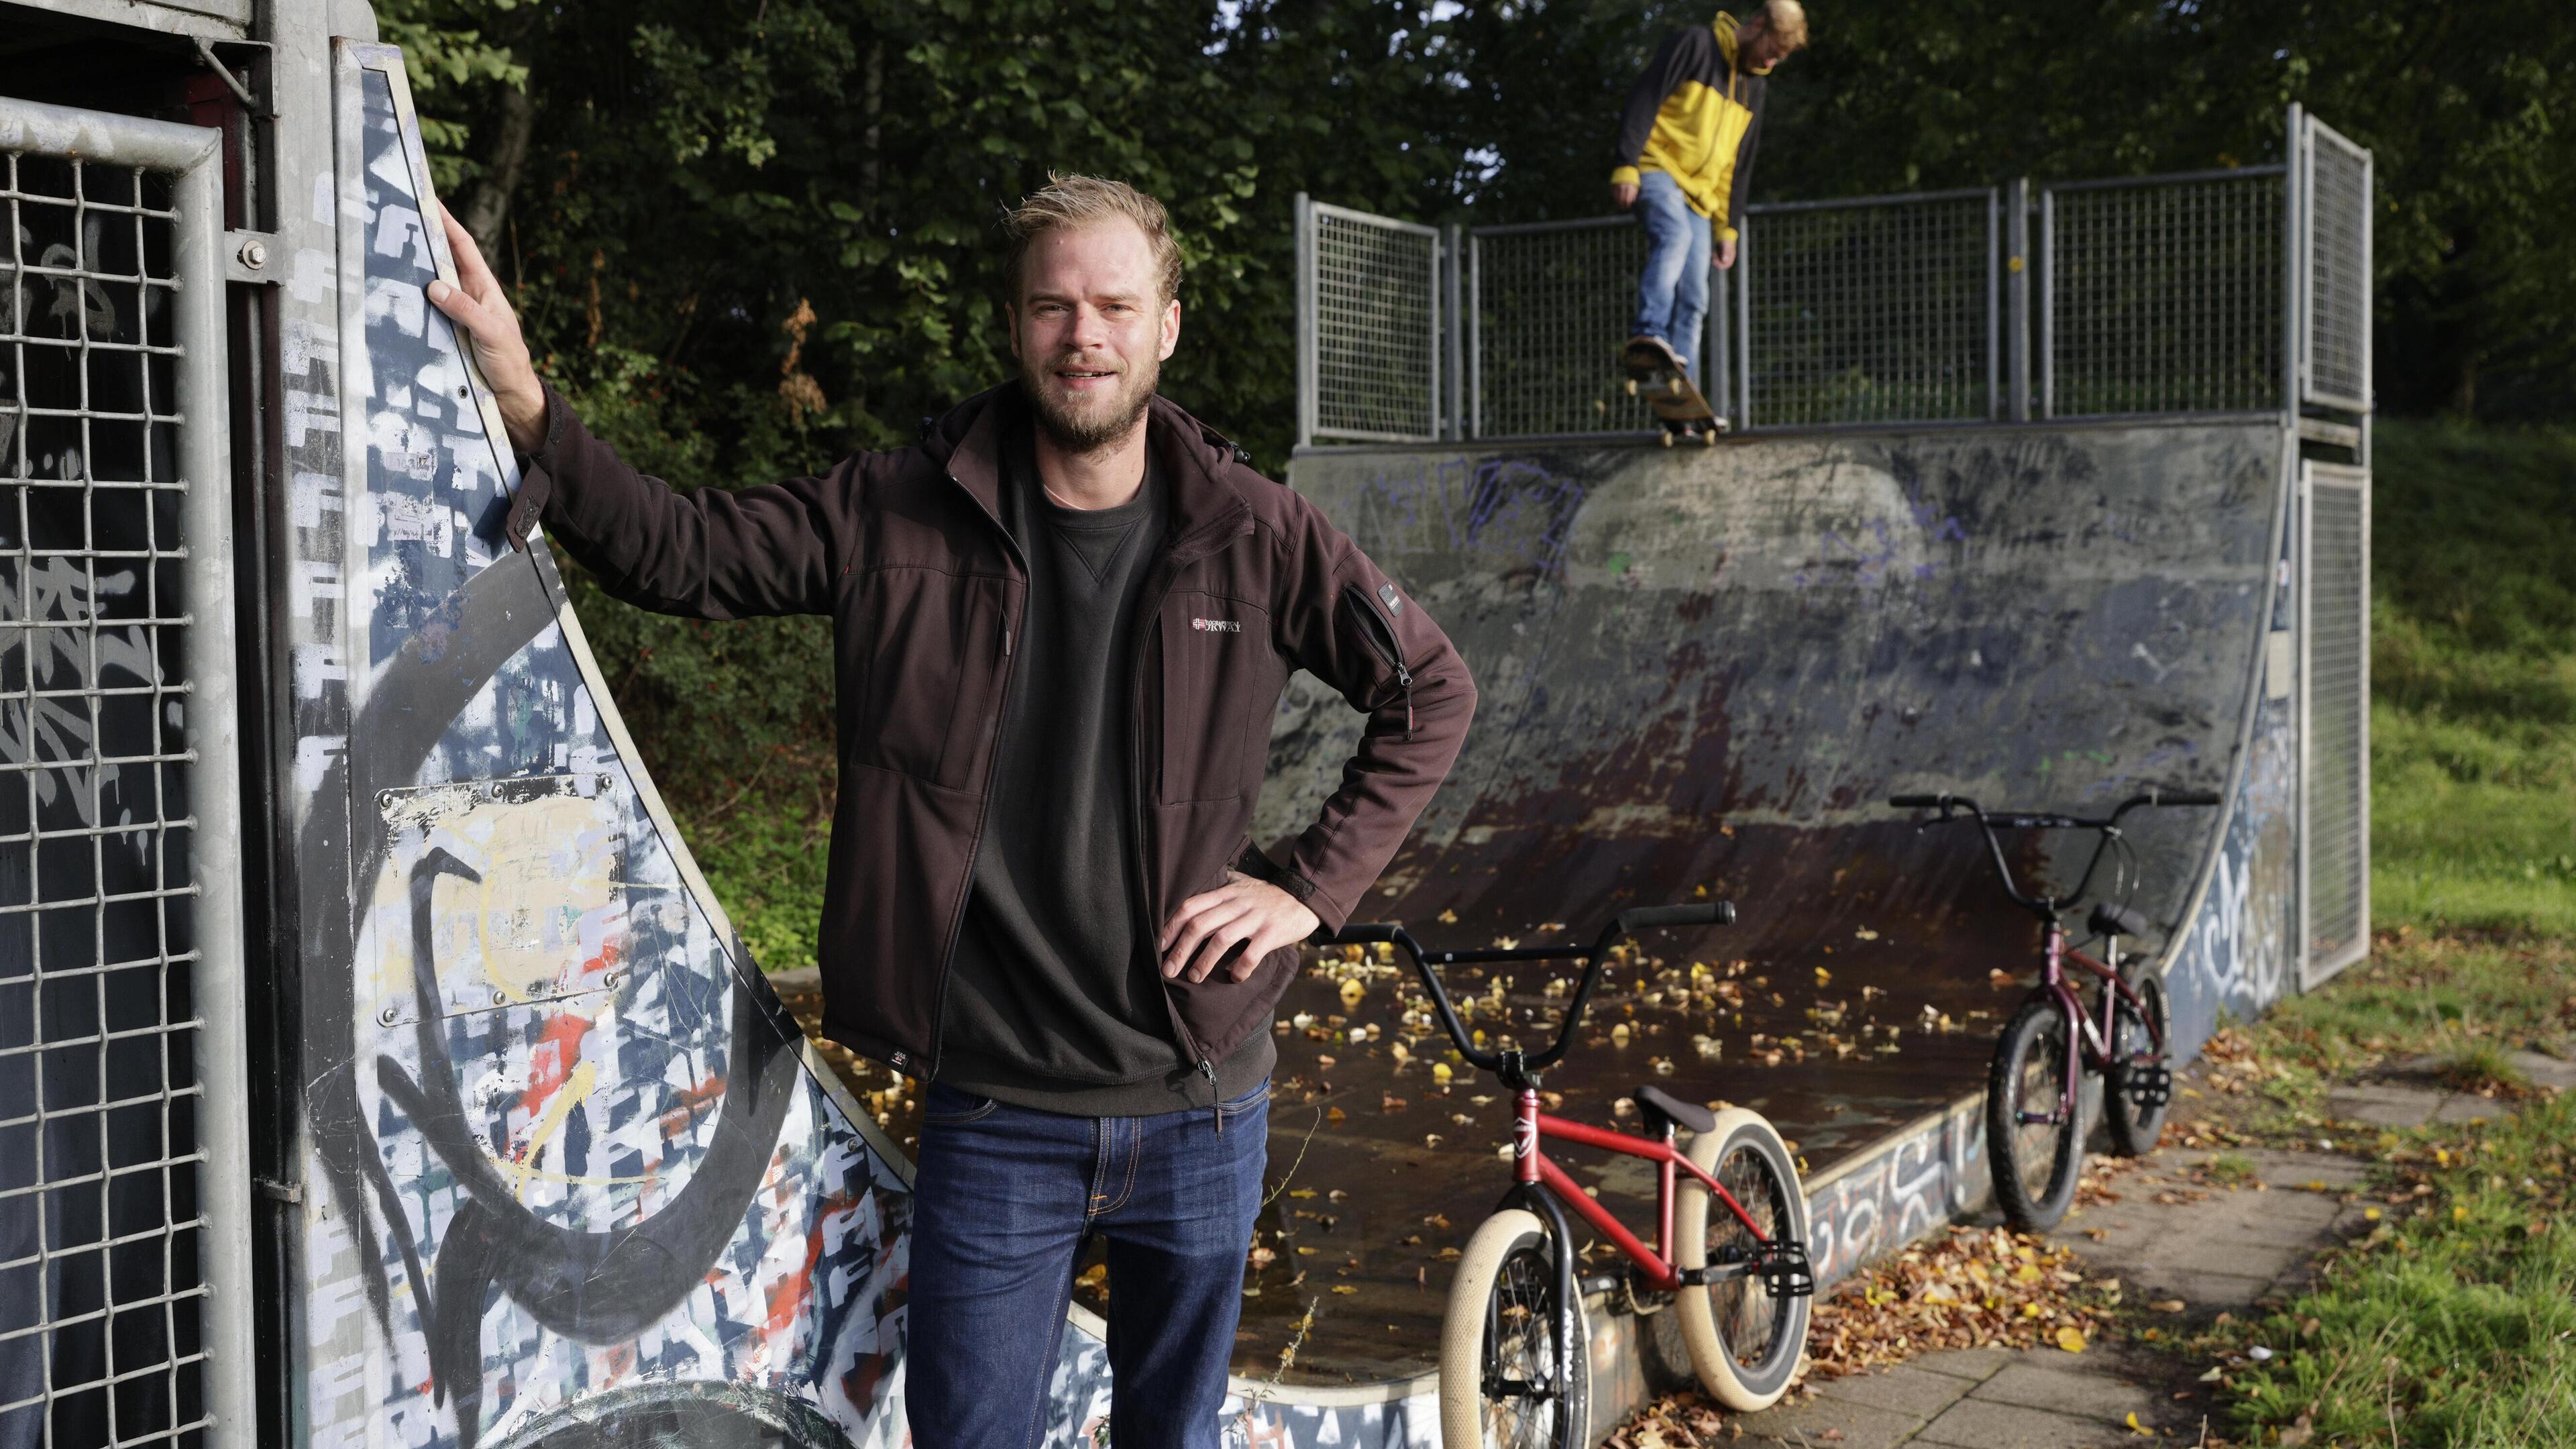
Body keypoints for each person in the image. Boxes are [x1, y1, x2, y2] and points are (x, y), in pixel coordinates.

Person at [425, 176, 1474, 1449]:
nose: (1083, 335)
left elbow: (1431, 688)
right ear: (1015, 324)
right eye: (1053, 306)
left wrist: (1308, 887)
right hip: (997, 1113)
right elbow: (680, 551)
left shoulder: (1255, 534)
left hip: (1200, 1103)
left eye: (1115, 307)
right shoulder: (900, 509)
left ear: (1166, 328)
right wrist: (525, 398)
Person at [1611, 0, 1810, 380]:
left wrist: (1727, 228)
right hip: (1657, 168)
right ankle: (1648, 334)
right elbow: (1644, 98)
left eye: (1779, 59)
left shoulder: (1754, 88)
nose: (1770, 63)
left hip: (1701, 197)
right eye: (1771, 51)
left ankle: (1680, 382)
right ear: (1757, 25)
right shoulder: (1696, 45)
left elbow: (1738, 164)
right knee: (1675, 236)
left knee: (1696, 296)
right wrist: (1626, 164)